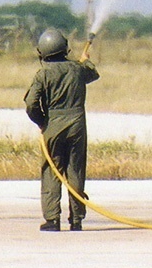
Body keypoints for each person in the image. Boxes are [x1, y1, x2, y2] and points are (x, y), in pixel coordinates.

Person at [24, 29, 99, 232]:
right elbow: (92, 73)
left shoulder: (43, 74)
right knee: (75, 170)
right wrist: (85, 60)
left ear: (43, 53)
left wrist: (41, 121)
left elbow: (31, 103)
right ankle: (76, 219)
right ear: (64, 49)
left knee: (51, 171)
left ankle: (52, 219)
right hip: (77, 124)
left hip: (53, 125)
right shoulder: (76, 69)